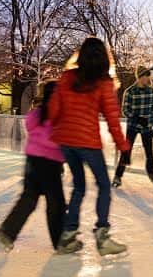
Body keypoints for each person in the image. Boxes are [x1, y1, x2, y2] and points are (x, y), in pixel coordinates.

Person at [50, 37, 131, 256]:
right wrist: (124, 147)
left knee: (79, 186)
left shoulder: (67, 77)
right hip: (87, 141)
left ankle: (68, 235)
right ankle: (102, 237)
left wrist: (55, 134)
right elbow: (113, 120)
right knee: (104, 185)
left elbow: (54, 110)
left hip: (66, 142)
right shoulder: (104, 83)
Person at [0, 81, 67, 252]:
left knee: (28, 199)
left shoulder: (37, 113)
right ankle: (59, 242)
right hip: (50, 164)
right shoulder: (60, 116)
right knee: (55, 203)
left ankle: (8, 231)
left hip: (32, 160)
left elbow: (30, 125)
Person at [113, 68, 153, 188]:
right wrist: (137, 118)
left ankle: (151, 173)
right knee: (126, 151)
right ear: (140, 77)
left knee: (149, 153)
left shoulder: (151, 92)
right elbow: (125, 110)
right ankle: (118, 176)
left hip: (147, 127)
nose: (148, 78)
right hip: (133, 127)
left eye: (149, 76)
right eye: (146, 76)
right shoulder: (130, 92)